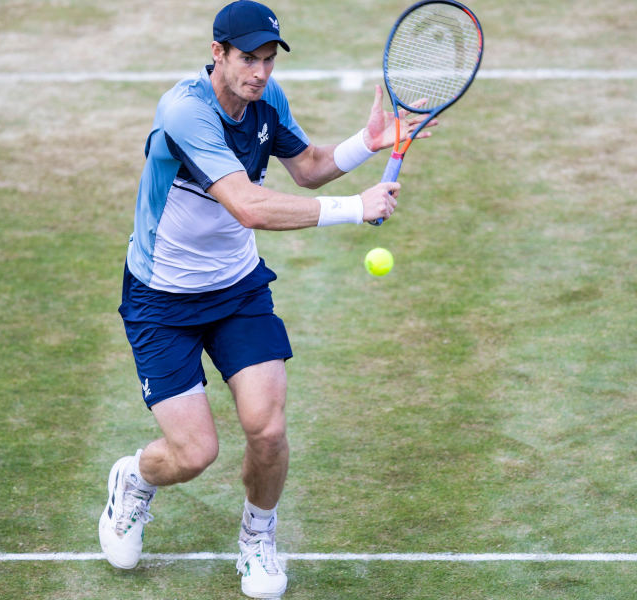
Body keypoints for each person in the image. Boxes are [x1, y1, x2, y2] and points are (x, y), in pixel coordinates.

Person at [99, 1, 436, 597]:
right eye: (248, 59)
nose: (259, 72)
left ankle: (258, 537)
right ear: (218, 54)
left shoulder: (265, 100)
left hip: (237, 290)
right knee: (193, 454)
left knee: (268, 430)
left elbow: (307, 167)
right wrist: (354, 208)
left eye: (268, 60)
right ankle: (134, 481)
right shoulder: (185, 112)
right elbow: (249, 206)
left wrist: (366, 142)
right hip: (161, 300)